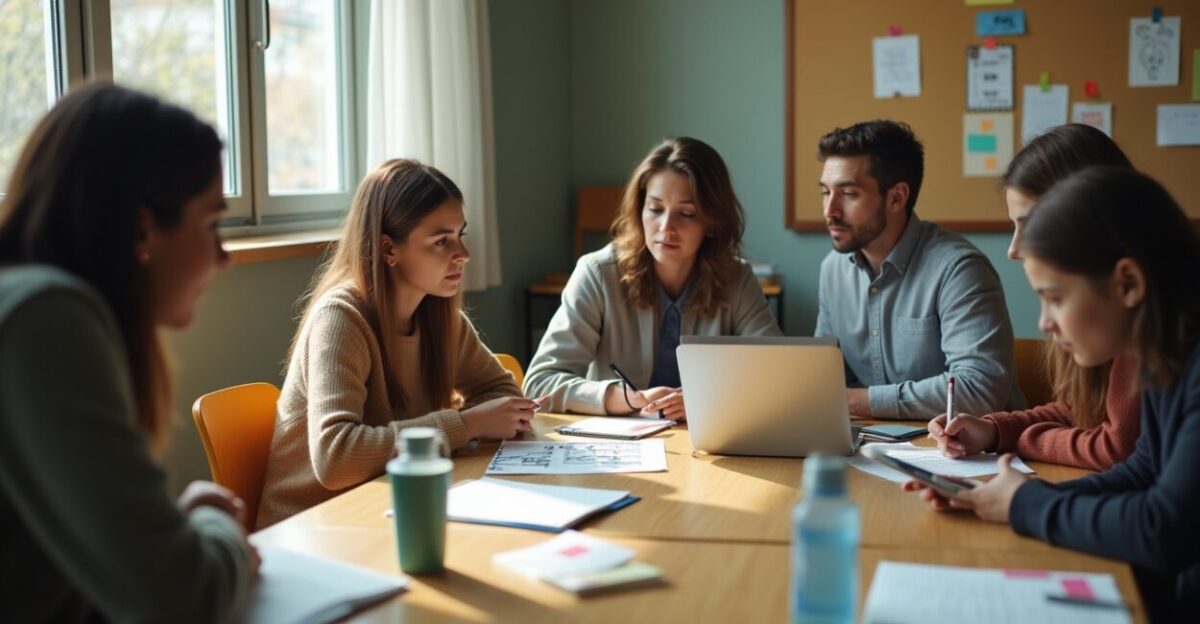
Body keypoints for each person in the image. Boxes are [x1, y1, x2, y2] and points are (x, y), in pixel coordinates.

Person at [0, 83, 255, 621]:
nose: (223, 257)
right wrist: (219, 532)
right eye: (211, 224)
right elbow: (182, 601)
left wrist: (177, 530)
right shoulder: (46, 317)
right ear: (143, 228)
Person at [906, 167, 1200, 621]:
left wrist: (1026, 505)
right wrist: (1013, 495)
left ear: (1128, 284)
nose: (1043, 323)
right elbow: (1145, 468)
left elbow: (1163, 530)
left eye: (1055, 298)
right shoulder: (1165, 354)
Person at [256, 159, 533, 528]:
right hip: (315, 528)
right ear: (389, 249)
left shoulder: (439, 317)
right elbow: (335, 458)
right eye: (441, 241)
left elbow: (498, 389)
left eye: (460, 235)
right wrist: (465, 425)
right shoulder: (341, 319)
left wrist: (482, 420)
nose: (462, 254)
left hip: (386, 508)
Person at [928, 124, 1139, 469]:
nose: (1013, 249)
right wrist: (993, 431)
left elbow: (1117, 447)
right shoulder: (1094, 308)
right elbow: (1077, 409)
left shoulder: (1142, 308)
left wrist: (1019, 441)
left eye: (1031, 224)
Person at [524, 137, 781, 420]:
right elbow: (539, 383)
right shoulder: (597, 273)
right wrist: (622, 398)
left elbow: (777, 379)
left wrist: (707, 398)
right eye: (656, 209)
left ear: (712, 222)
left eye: (686, 214)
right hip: (618, 450)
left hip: (707, 444)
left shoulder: (738, 279)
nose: (666, 228)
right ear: (640, 209)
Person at [814, 120, 1020, 420]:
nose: (829, 211)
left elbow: (980, 389)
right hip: (874, 447)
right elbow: (826, 380)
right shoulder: (832, 270)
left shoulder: (958, 270)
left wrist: (860, 402)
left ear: (896, 197)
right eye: (825, 192)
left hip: (971, 454)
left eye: (848, 194)